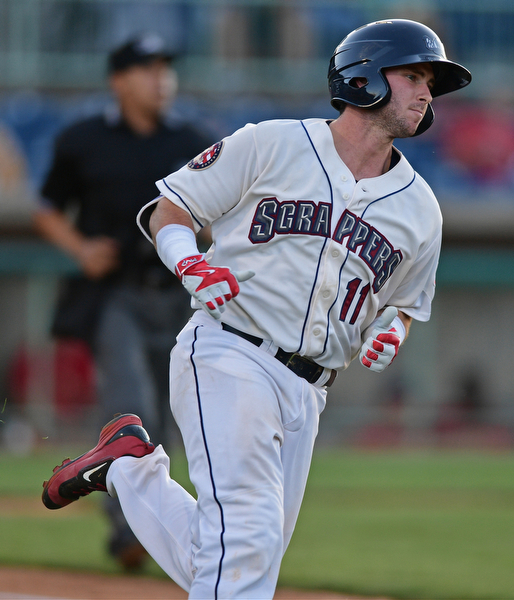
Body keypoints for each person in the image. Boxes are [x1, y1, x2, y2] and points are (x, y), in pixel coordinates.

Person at [41, 19, 471, 599]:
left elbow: (401, 307)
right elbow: (172, 208)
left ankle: (127, 468)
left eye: (431, 81)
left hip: (310, 390)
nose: (426, 92)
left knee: (236, 552)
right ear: (365, 74)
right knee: (246, 539)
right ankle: (128, 469)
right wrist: (187, 262)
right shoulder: (274, 142)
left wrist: (389, 331)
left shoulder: (421, 209)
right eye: (413, 75)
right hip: (229, 351)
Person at [34, 33, 213, 570]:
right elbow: (47, 209)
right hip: (115, 294)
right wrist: (81, 248)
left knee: (173, 414)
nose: (161, 78)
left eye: (166, 67)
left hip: (180, 296)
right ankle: (126, 533)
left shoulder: (196, 138)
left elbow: (222, 211)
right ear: (118, 80)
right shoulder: (83, 140)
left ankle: (152, 523)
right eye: (146, 68)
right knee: (131, 404)